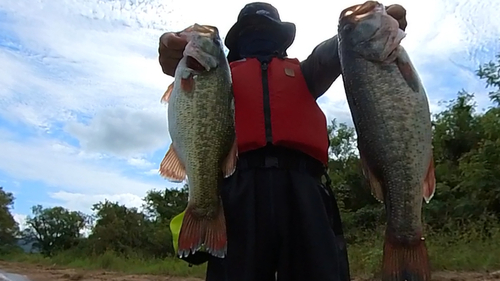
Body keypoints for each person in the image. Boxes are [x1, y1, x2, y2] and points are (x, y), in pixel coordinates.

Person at [158, 2, 408, 281]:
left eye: (266, 30)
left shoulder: (307, 71)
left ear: (282, 38)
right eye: (250, 30)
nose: (259, 35)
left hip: (305, 189)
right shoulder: (218, 75)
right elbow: (184, 77)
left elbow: (338, 50)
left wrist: (365, 30)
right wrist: (174, 53)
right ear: (236, 42)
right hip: (238, 186)